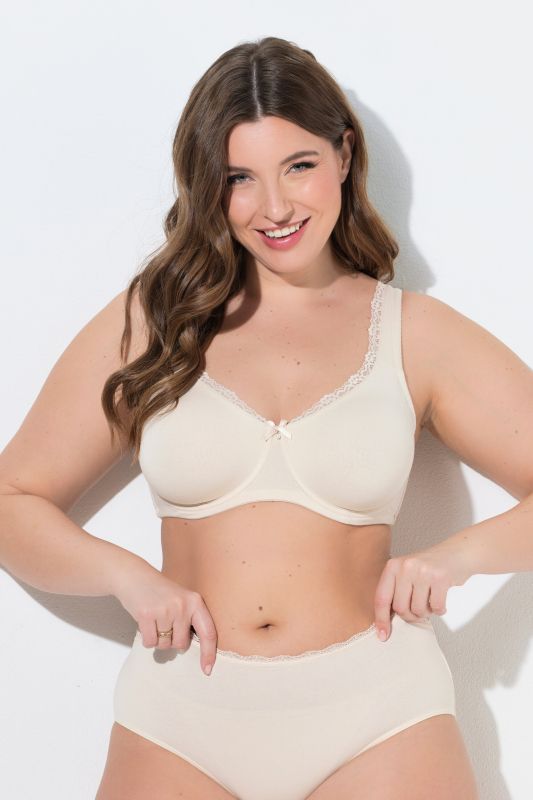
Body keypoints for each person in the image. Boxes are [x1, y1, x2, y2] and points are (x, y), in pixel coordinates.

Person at [1, 35, 531, 800]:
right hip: (179, 714)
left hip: (380, 715)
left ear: (343, 155)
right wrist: (124, 576)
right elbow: (12, 499)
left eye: (299, 166)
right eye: (238, 178)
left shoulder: (415, 333)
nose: (275, 207)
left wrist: (458, 557)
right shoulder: (154, 320)